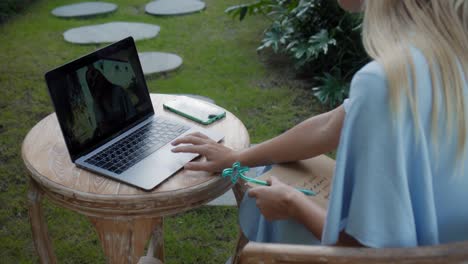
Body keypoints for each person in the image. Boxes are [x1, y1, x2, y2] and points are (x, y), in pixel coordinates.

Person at [171, 0, 468, 247]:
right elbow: (329, 126)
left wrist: (292, 204)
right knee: (267, 167)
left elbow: (365, 251)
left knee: (268, 201)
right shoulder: (447, 51)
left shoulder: (386, 81)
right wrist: (238, 157)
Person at [86, 64, 137, 136]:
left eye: (96, 76)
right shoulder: (96, 103)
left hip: (130, 130)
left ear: (102, 76)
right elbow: (103, 128)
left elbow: (132, 114)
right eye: (91, 81)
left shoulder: (118, 90)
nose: (95, 81)